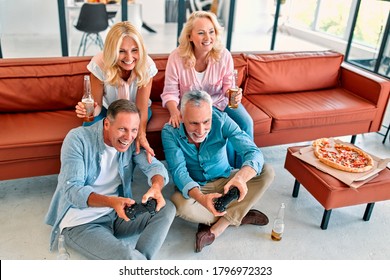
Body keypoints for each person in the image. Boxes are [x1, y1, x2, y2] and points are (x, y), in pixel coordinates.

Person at [45, 99, 175, 260]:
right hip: (81, 223)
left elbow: (155, 167)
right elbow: (73, 191)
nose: (128, 136)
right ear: (107, 124)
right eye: (122, 129)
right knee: (127, 257)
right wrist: (112, 202)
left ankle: (139, 264)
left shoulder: (131, 141)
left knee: (166, 208)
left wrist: (156, 186)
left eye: (134, 130)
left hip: (116, 214)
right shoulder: (77, 139)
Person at [161, 90, 275, 253]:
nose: (200, 130)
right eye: (193, 123)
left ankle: (217, 227)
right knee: (178, 204)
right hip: (197, 187)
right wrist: (201, 199)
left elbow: (253, 152)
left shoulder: (221, 119)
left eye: (206, 122)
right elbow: (179, 173)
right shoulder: (169, 131)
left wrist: (241, 178)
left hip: (226, 180)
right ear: (181, 116)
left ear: (211, 115)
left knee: (267, 171)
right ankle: (238, 214)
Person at [161, 11, 253, 168]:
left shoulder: (224, 55)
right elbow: (170, 92)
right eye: (201, 33)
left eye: (211, 32)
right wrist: (174, 112)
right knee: (223, 131)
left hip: (219, 103)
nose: (208, 38)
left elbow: (228, 88)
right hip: (193, 107)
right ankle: (228, 171)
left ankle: (246, 167)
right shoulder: (176, 57)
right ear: (190, 36)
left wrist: (234, 96)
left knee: (246, 122)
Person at [75, 21, 157, 162]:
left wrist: (141, 134)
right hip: (107, 110)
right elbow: (97, 106)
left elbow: (141, 109)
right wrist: (89, 111)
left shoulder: (147, 65)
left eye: (134, 50)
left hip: (136, 111)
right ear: (112, 51)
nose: (129, 58)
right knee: (88, 132)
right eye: (121, 51)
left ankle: (122, 174)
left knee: (127, 132)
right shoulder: (99, 64)